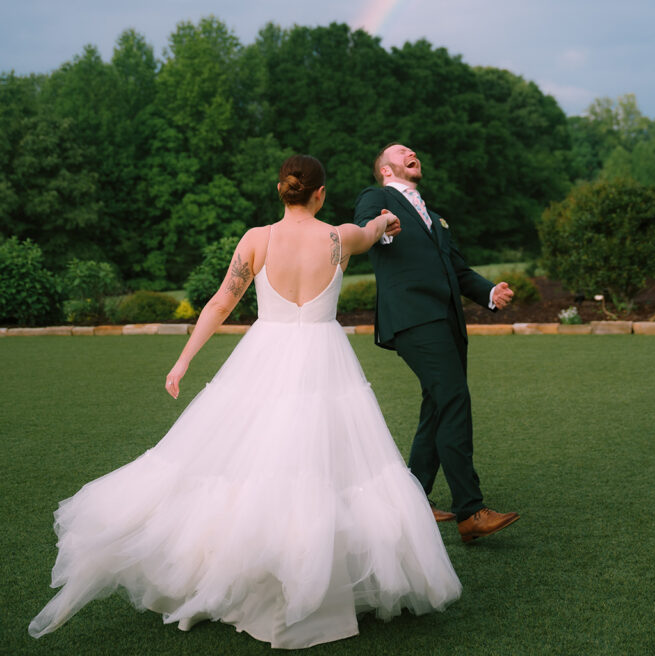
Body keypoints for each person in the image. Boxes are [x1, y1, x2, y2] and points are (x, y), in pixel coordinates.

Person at [29, 155, 462, 648]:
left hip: (264, 357)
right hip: (324, 360)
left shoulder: (258, 240)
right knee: (326, 469)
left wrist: (183, 362)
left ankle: (257, 573)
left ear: (283, 191)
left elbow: (219, 302)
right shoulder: (339, 238)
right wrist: (386, 220)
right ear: (319, 193)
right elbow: (373, 228)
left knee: (247, 463)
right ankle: (310, 578)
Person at [354, 142, 520, 544]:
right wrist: (384, 227)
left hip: (447, 323)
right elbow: (365, 229)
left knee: (438, 404)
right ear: (386, 169)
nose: (413, 153)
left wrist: (489, 293)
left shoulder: (437, 218)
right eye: (401, 151)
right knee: (453, 400)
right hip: (414, 318)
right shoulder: (377, 197)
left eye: (414, 151)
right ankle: (470, 510)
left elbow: (458, 270)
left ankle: (414, 499)